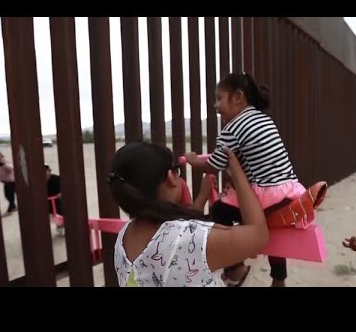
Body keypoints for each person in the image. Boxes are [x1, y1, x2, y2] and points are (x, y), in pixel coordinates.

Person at [184, 72, 306, 287]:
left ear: (238, 97)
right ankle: (279, 280)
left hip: (267, 195)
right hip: (289, 192)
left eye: (219, 98)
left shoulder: (232, 129)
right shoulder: (262, 118)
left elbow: (214, 165)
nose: (215, 105)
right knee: (271, 228)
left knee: (220, 210)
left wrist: (194, 161)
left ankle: (236, 266)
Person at [108, 141, 268, 287]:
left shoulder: (124, 237)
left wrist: (202, 197)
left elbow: (176, 232)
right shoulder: (192, 239)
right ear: (171, 176)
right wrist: (236, 169)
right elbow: (258, 234)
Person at [0, 149, 17, 214]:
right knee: (7, 195)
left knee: (10, 195)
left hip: (11, 181)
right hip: (6, 182)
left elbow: (10, 169)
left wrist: (4, 164)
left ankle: (11, 208)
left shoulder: (4, 160)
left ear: (0, 154)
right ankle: (13, 206)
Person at [45, 164, 64, 235]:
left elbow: (65, 187)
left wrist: (61, 193)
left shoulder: (56, 179)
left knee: (60, 210)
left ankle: (61, 225)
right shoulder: (37, 182)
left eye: (47, 171)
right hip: (45, 203)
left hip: (56, 201)